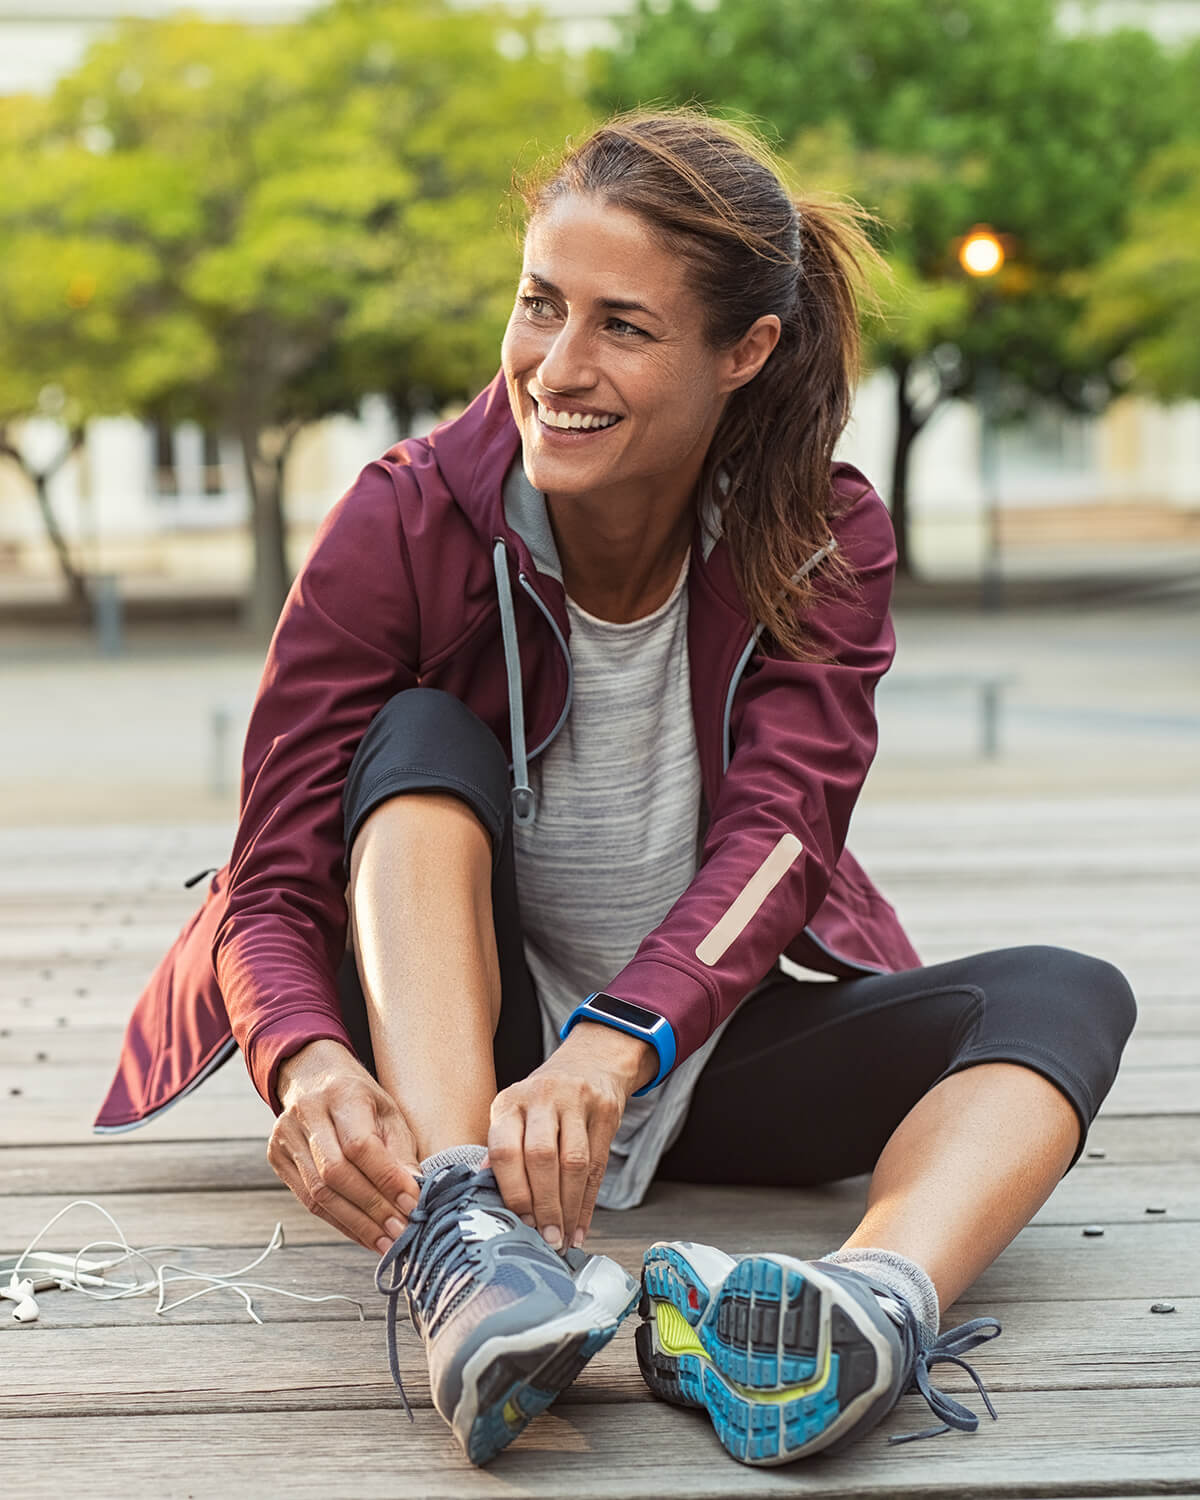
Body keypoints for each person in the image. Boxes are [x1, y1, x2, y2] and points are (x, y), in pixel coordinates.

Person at [95, 109, 1136, 1469]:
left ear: (743, 352)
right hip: (464, 1061)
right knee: (414, 739)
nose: (556, 367)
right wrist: (307, 1057)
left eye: (622, 327)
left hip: (682, 1046)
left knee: (1066, 994)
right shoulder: (403, 520)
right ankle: (468, 1248)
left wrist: (620, 1040)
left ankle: (870, 1307)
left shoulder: (821, 535)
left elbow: (785, 836)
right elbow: (272, 877)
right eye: (540, 306)